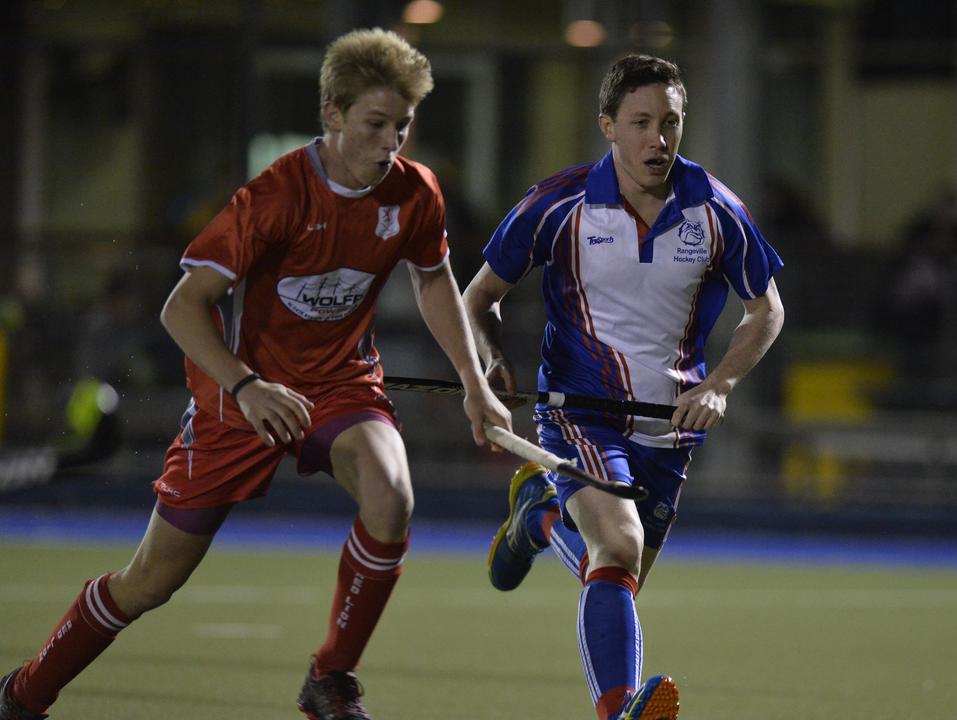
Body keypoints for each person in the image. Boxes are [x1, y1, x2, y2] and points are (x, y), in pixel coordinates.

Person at [0, 28, 510, 720]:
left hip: (340, 386)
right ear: (331, 113)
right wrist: (245, 385)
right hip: (238, 399)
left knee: (391, 498)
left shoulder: (415, 193)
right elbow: (182, 309)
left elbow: (432, 279)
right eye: (375, 124)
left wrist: (474, 386)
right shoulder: (275, 196)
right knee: (149, 583)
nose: (390, 143)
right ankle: (25, 693)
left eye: (403, 126)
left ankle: (330, 676)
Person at [463, 54, 784, 720]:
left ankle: (539, 518)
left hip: (671, 429)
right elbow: (478, 298)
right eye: (641, 122)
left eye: (670, 122)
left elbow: (767, 310)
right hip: (580, 412)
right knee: (618, 547)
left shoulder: (718, 211)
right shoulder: (559, 203)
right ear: (607, 125)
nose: (657, 139)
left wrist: (721, 384)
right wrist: (490, 356)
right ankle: (617, 714)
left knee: (614, 573)